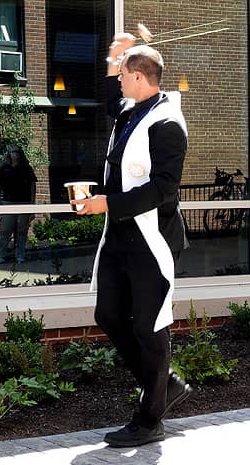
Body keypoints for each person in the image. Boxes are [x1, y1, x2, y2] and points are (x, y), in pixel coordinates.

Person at [72, 32, 192, 448]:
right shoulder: (132, 110)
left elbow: (165, 189)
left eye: (122, 74)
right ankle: (165, 386)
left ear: (139, 77)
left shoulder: (167, 123)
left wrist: (110, 204)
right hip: (119, 238)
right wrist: (112, 56)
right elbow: (110, 99)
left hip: (152, 242)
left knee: (149, 326)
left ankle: (149, 419)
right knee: (108, 314)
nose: (117, 81)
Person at [0, 146, 36, 264]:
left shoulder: (27, 169)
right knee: (5, 230)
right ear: (9, 154)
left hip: (24, 202)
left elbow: (32, 187)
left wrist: (32, 205)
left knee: (22, 231)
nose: (14, 154)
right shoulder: (4, 168)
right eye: (12, 152)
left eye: (16, 152)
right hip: (8, 202)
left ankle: (20, 256)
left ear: (20, 154)